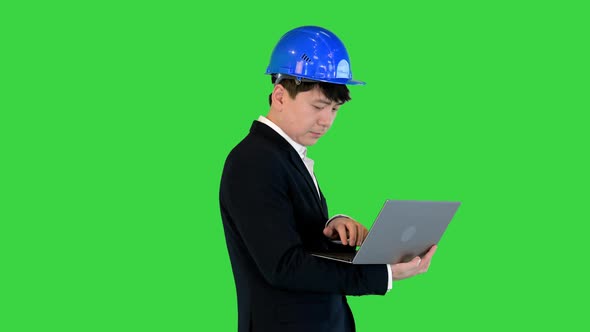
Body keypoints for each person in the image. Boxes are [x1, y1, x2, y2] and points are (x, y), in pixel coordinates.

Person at [219, 26, 437, 332]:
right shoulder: (253, 161)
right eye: (318, 107)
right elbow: (284, 266)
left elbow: (292, 238)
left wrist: (331, 230)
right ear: (280, 96)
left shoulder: (285, 156)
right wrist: (382, 274)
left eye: (334, 109)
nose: (327, 121)